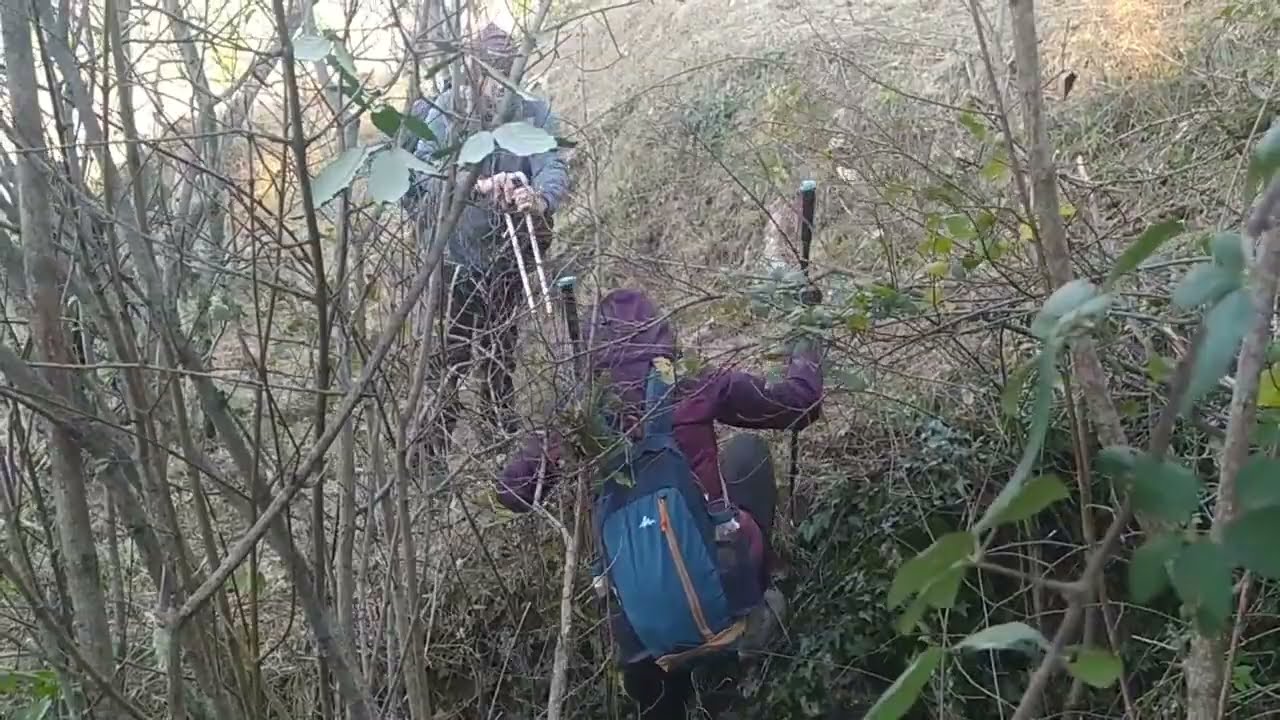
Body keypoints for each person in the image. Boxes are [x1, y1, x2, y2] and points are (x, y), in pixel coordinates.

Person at [496, 287, 823, 718]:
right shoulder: (693, 385)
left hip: (641, 633)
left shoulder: (580, 423)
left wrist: (557, 423)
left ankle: (666, 699)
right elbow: (799, 403)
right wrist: (808, 341)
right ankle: (754, 616)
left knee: (639, 654)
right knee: (746, 454)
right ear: (662, 338)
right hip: (721, 600)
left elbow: (512, 492)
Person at [402, 23, 570, 475]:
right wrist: (474, 186)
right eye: (489, 75)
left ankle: (501, 443)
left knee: (502, 352)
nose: (497, 87)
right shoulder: (440, 111)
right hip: (454, 260)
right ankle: (428, 463)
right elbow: (423, 176)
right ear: (472, 71)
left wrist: (537, 198)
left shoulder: (531, 110)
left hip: (506, 256)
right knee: (450, 361)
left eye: (505, 75)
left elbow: (552, 162)